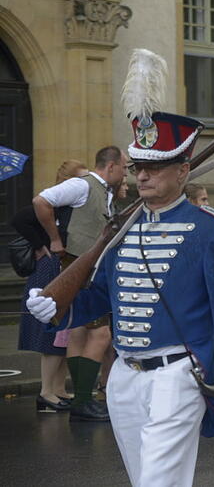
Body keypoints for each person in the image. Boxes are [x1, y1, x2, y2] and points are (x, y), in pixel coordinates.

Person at [26, 72, 214, 485]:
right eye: (138, 167)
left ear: (183, 170)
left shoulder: (210, 228)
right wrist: (58, 306)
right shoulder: (121, 226)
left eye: (154, 167)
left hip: (178, 373)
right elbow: (104, 294)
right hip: (124, 376)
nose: (142, 176)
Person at [32, 145, 127, 422]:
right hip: (80, 267)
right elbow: (41, 201)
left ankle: (81, 401)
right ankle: (84, 400)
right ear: (110, 167)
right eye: (124, 167)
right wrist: (55, 239)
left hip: (89, 269)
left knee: (79, 332)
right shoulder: (83, 185)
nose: (127, 172)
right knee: (101, 334)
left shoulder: (103, 191)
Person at [13, 159, 88, 412]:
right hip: (49, 270)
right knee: (53, 331)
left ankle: (58, 388)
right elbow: (19, 219)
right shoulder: (53, 203)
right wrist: (41, 245)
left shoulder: (70, 206)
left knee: (64, 333)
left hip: (62, 267)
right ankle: (46, 392)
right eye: (80, 178)